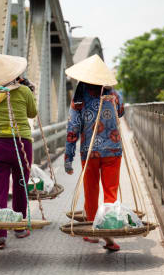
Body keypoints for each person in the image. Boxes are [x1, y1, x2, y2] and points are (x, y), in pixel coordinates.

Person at [64, 54, 124, 251]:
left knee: (91, 191)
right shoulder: (114, 95)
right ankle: (109, 227)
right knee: (110, 192)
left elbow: (73, 128)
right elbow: (121, 112)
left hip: (89, 152)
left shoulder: (80, 98)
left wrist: (68, 157)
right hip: (113, 151)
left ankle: (92, 231)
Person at [0, 54, 37, 250]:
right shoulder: (24, 91)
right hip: (21, 145)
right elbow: (32, 113)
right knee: (20, 185)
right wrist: (31, 91)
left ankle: (0, 234)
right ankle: (19, 228)